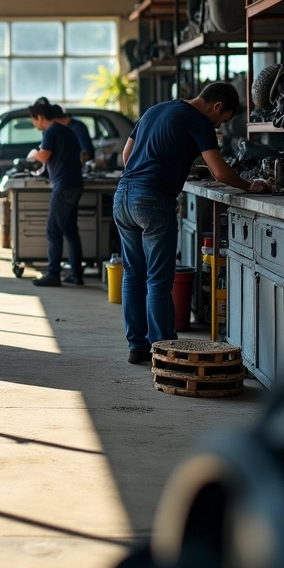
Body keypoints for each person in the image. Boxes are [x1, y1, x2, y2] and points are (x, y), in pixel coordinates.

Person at [113, 81, 269, 365]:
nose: (219, 125)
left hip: (123, 196)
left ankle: (137, 347)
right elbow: (220, 171)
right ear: (217, 106)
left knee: (134, 274)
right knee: (158, 280)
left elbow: (127, 157)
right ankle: (165, 350)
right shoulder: (199, 121)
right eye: (222, 120)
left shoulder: (155, 110)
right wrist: (249, 186)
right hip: (152, 202)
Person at [25, 99, 84, 286]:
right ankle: (76, 274)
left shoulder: (50, 131)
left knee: (53, 231)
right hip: (75, 184)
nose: (35, 124)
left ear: (40, 117)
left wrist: (32, 153)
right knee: (70, 230)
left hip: (63, 187)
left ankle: (53, 274)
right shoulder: (67, 130)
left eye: (34, 120)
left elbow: (43, 157)